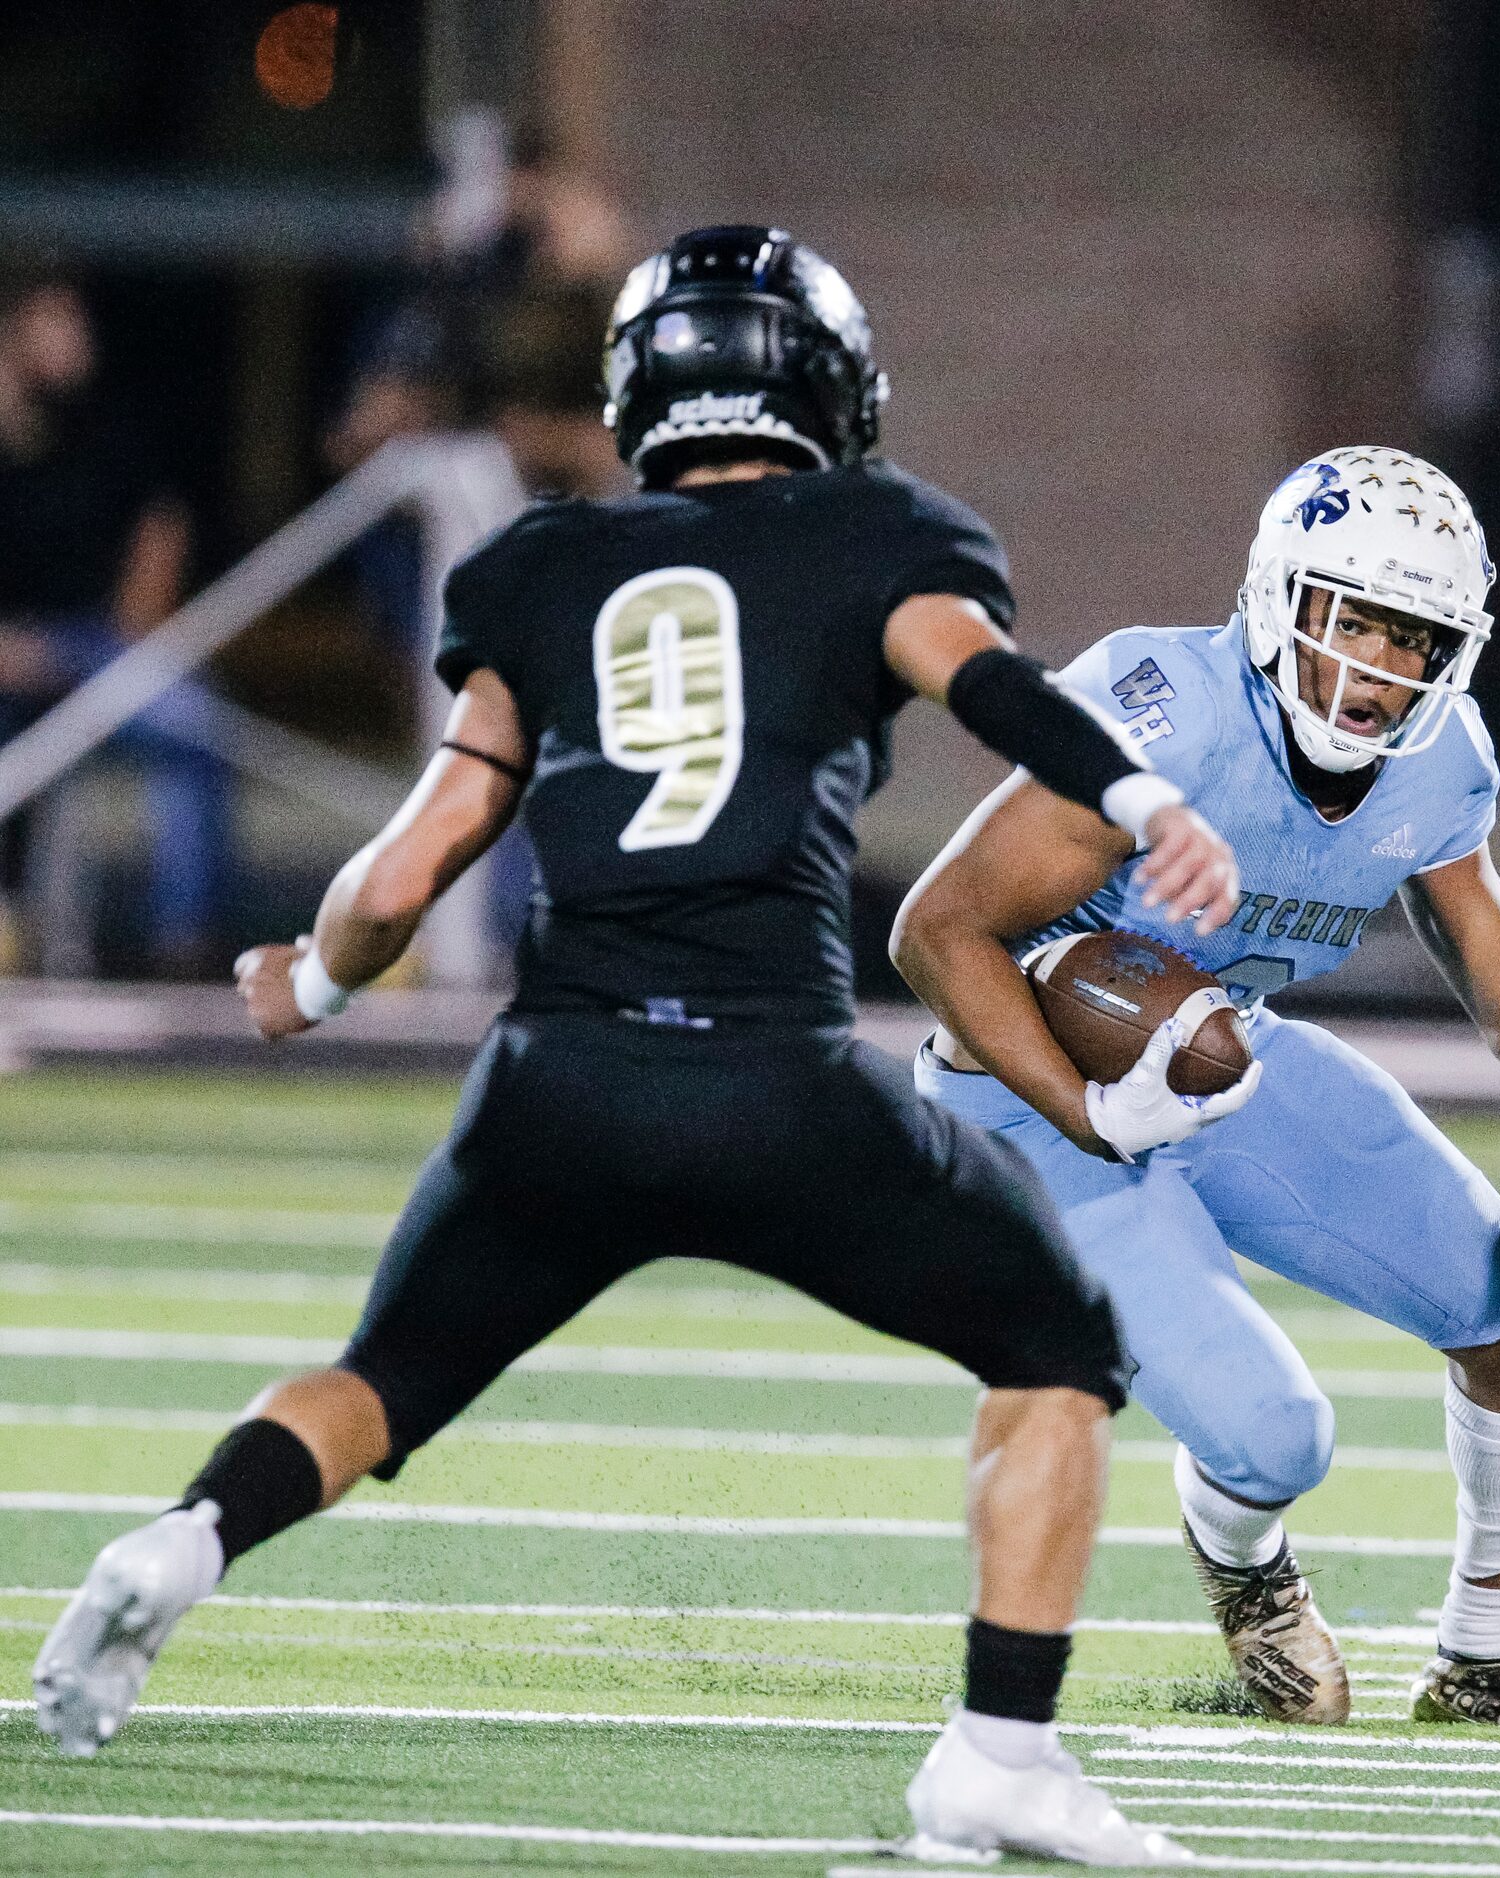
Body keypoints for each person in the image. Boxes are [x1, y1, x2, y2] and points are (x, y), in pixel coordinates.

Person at [34, 225, 1243, 1865]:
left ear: (639, 390)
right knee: (1055, 1345)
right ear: (825, 386)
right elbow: (992, 689)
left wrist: (310, 984)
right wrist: (1146, 798)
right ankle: (998, 1755)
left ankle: (184, 1541)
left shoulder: (541, 567)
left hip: (562, 1084)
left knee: (384, 1378)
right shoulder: (880, 533)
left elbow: (413, 858)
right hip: (773, 1081)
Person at [893, 446, 1500, 1732]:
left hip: (1220, 1054)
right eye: (1352, 620)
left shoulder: (1439, 762)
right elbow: (936, 931)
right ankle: (1247, 1572)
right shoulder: (1165, 714)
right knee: (1276, 1442)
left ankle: (1488, 1661)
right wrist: (1088, 1112)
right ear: (1276, 603)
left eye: (1413, 637)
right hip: (1033, 1101)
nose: (1378, 668)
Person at [0, 258, 228, 974]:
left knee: (194, 728)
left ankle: (184, 947)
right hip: (5, 653)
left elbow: (161, 524)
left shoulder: (107, 423)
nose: (79, 339)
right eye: (57, 323)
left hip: (93, 646)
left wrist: (137, 634)